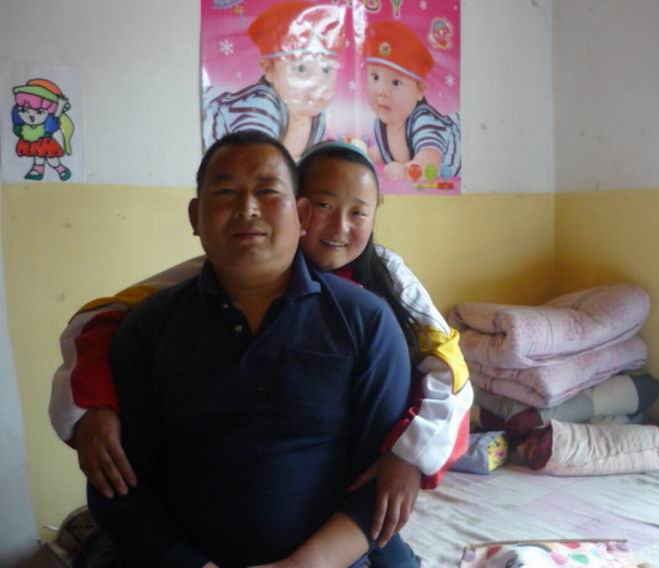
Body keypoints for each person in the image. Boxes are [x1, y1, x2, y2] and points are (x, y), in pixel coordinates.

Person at [49, 141, 473, 558]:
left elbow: (449, 369)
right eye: (325, 204)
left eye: (358, 212)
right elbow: (94, 325)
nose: (248, 209)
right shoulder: (156, 316)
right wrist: (92, 407)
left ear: (296, 213)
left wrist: (411, 454)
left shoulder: (378, 303)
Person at [203, 0, 345, 158]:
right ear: (269, 70)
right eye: (301, 69)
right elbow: (259, 163)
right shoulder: (260, 106)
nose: (316, 83)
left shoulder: (317, 114)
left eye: (326, 69)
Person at [362, 20, 461, 181]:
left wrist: (406, 172)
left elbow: (431, 159)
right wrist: (367, 154)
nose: (382, 91)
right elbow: (385, 151)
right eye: (375, 77)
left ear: (420, 91)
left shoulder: (423, 121)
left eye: (396, 82)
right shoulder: (382, 122)